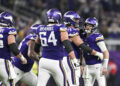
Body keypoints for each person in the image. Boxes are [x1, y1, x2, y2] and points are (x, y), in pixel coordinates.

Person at [34, 8, 79, 86]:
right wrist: (74, 59)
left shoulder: (40, 28)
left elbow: (36, 46)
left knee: (40, 84)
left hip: (43, 61)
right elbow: (67, 44)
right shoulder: (60, 27)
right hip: (56, 62)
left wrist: (38, 55)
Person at [63, 11, 105, 86]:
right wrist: (97, 53)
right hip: (71, 59)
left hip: (60, 60)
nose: (77, 21)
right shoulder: (73, 31)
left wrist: (81, 64)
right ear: (70, 19)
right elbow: (82, 46)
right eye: (75, 19)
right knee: (74, 83)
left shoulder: (61, 30)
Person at [0, 12, 27, 86]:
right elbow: (13, 47)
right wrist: (22, 58)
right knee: (10, 84)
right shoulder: (9, 30)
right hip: (3, 62)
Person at [80, 17, 109, 86]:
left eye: (90, 25)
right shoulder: (83, 37)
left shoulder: (97, 36)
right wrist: (81, 64)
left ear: (94, 27)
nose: (88, 27)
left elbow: (105, 52)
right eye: (87, 25)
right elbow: (81, 52)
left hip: (98, 66)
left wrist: (105, 67)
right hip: (87, 66)